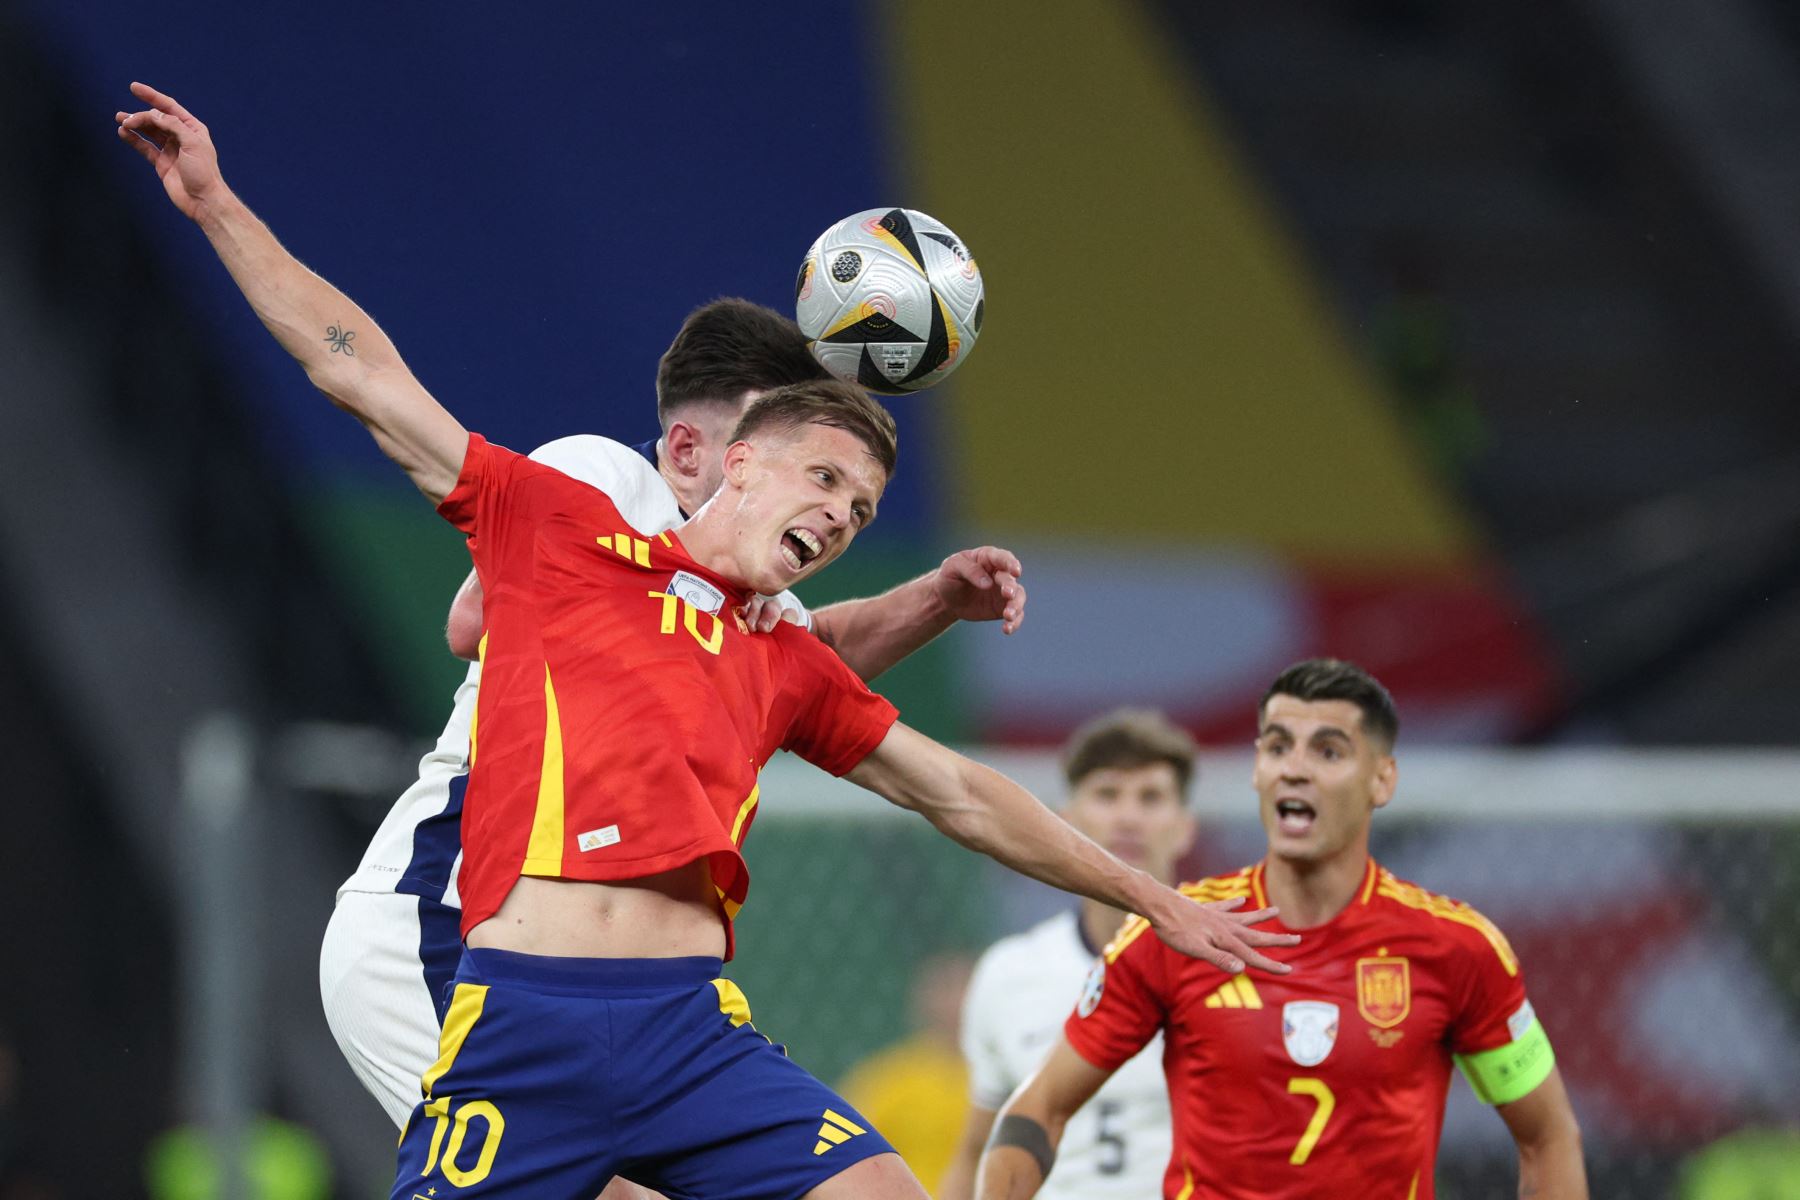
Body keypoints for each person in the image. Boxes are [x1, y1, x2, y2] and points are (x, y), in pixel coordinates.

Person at [117, 82, 1297, 1200]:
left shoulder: (779, 651)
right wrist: (220, 205)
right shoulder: (573, 520)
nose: (840, 511)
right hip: (525, 1016)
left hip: (688, 1026)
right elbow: (359, 370)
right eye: (824, 477)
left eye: (863, 508)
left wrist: (1155, 898)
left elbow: (962, 793)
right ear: (732, 461)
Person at [320, 292, 1031, 1135]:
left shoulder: (734, 588)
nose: (786, 476)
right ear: (694, 450)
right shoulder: (607, 479)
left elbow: (799, 682)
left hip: (541, 958)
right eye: (765, 446)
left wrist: (934, 599)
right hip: (437, 919)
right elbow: (470, 622)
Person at [977, 659, 1588, 1200]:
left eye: (1328, 751)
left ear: (1383, 779)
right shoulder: (1176, 933)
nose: (1294, 769)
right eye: (1276, 746)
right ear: (1256, 770)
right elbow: (1038, 1109)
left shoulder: (1459, 949)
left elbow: (1547, 1135)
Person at [941, 709, 1197, 1200]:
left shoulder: (1230, 966)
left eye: (1151, 797)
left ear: (1185, 827)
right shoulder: (1008, 972)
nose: (1128, 816)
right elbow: (977, 1148)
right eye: (1106, 794)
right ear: (1066, 820)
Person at [839, 954, 976, 1194]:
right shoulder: (891, 1079)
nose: (958, 1002)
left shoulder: (1008, 1075)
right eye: (946, 989)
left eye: (967, 986)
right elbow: (842, 1151)